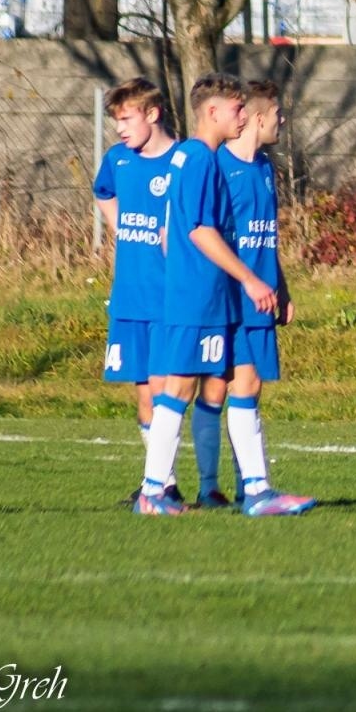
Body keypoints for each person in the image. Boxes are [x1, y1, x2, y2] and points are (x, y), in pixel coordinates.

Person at [134, 73, 278, 516]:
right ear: (212, 112)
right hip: (198, 297)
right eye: (237, 109)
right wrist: (249, 279)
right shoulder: (198, 158)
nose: (243, 117)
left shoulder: (191, 157)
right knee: (177, 390)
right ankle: (153, 492)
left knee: (236, 378)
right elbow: (199, 230)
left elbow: (167, 231)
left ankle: (256, 491)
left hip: (208, 296)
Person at [184, 79, 316, 516]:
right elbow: (207, 233)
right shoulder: (218, 166)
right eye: (278, 115)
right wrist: (246, 281)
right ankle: (233, 487)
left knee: (242, 386)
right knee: (230, 385)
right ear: (259, 118)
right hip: (234, 293)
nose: (282, 121)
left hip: (261, 292)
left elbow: (266, 237)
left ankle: (245, 487)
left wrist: (281, 284)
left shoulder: (262, 166)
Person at [92, 77, 181, 503]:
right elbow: (103, 192)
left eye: (126, 119)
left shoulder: (184, 160)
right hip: (129, 297)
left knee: (167, 393)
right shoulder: (118, 160)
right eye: (116, 122)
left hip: (169, 298)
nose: (121, 130)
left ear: (152, 114)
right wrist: (118, 223)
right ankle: (164, 483)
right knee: (145, 399)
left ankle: (160, 484)